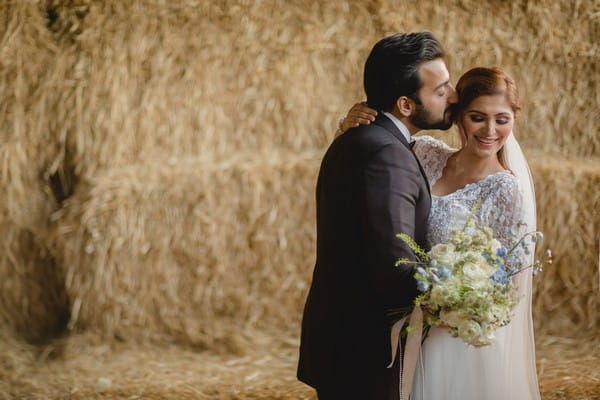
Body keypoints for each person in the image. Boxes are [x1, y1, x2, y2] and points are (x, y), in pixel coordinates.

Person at [338, 67, 541, 399]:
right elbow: (366, 160)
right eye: (478, 117)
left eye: (502, 119)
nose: (490, 130)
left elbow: (511, 287)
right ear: (459, 117)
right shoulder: (425, 154)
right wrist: (349, 127)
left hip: (461, 337)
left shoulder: (507, 191)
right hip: (409, 321)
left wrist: (454, 305)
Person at [297, 32, 457, 400]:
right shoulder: (386, 154)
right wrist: (459, 296)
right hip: (367, 351)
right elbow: (394, 263)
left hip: (343, 343)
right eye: (441, 90)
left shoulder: (355, 139)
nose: (453, 96)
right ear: (405, 104)